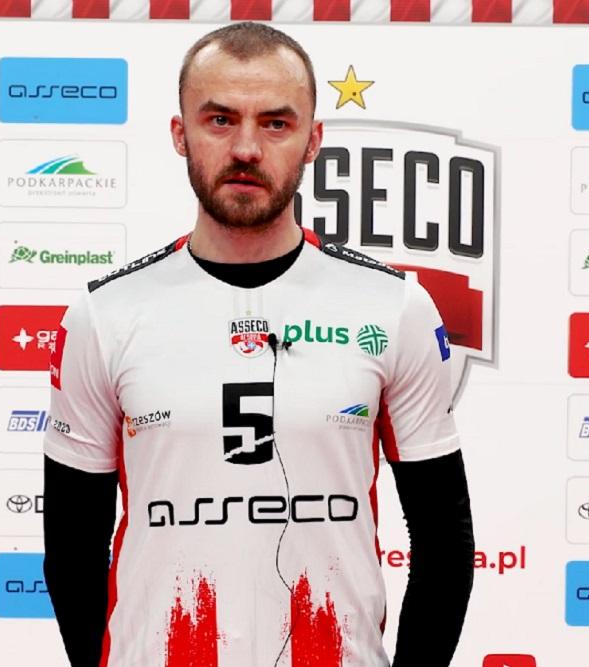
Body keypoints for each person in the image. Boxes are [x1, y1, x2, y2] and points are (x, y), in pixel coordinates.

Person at [43, 22, 475, 667]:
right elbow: (72, 549)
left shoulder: (393, 307)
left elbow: (444, 544)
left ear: (312, 141)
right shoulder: (104, 315)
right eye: (220, 120)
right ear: (180, 133)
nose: (246, 148)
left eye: (276, 123)